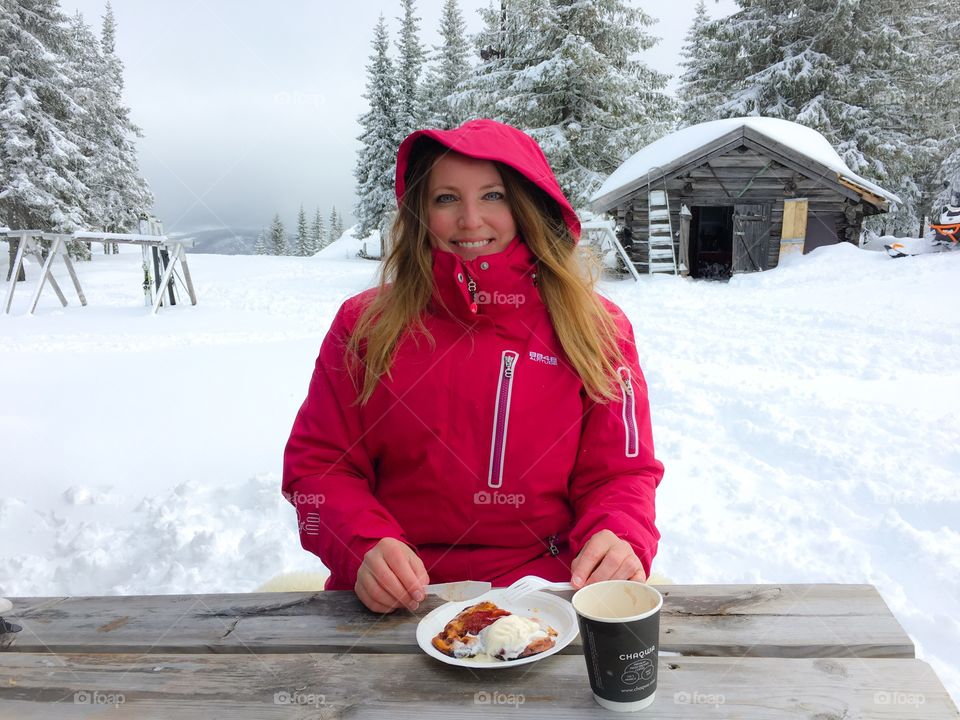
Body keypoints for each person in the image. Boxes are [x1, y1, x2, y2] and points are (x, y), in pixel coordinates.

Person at [283, 119, 663, 614]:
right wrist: (362, 544)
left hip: (547, 593)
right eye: (445, 199)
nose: (470, 220)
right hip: (399, 596)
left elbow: (621, 471)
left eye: (493, 195)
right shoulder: (364, 324)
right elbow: (319, 465)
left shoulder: (597, 326)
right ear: (420, 214)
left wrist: (620, 534)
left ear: (529, 206)